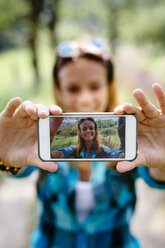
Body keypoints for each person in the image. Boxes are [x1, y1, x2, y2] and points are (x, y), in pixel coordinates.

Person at [0, 39, 165, 248]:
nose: (85, 99)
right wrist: (3, 157)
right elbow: (18, 168)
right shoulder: (46, 135)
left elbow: (156, 177)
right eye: (73, 88)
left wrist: (163, 162)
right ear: (59, 91)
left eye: (95, 86)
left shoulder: (126, 136)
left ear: (109, 86)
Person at [51, 117, 125, 158]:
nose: (88, 131)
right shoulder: (74, 149)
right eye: (84, 129)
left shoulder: (103, 149)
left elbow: (113, 154)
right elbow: (62, 153)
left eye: (91, 128)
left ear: (95, 131)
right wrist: (50, 154)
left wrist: (124, 156)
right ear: (80, 132)